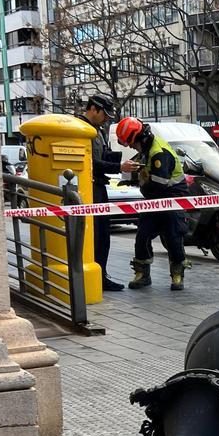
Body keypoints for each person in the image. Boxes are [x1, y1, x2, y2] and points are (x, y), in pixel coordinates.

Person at [114, 117, 191, 291]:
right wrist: (130, 178)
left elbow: (158, 183)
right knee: (143, 234)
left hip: (172, 197)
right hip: (155, 198)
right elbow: (144, 171)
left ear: (138, 138)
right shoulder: (147, 148)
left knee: (173, 235)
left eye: (131, 143)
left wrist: (139, 182)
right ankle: (142, 274)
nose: (131, 147)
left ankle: (178, 273)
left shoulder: (158, 153)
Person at [75, 94, 125, 291]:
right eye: (104, 114)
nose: (107, 118)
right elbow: (90, 164)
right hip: (89, 189)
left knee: (103, 235)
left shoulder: (97, 130)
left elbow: (101, 157)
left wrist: (117, 161)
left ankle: (100, 274)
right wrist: (119, 167)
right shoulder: (81, 129)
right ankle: (93, 276)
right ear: (93, 109)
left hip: (99, 187)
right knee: (94, 235)